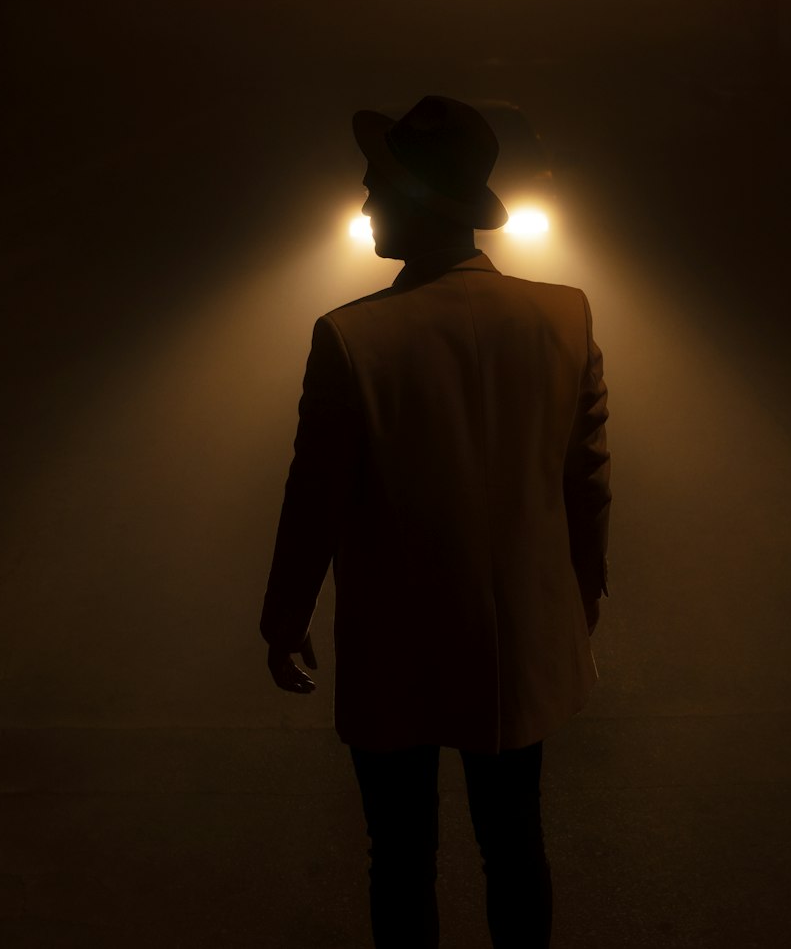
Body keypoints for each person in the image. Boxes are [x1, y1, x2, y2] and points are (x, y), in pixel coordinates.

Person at [261, 94, 610, 949]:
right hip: (517, 639)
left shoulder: (350, 339)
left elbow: (317, 496)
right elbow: (587, 483)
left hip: (397, 643)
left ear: (418, 203)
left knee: (402, 857)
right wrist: (578, 603)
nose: (366, 201)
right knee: (514, 845)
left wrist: (285, 617)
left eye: (377, 184)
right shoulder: (565, 315)